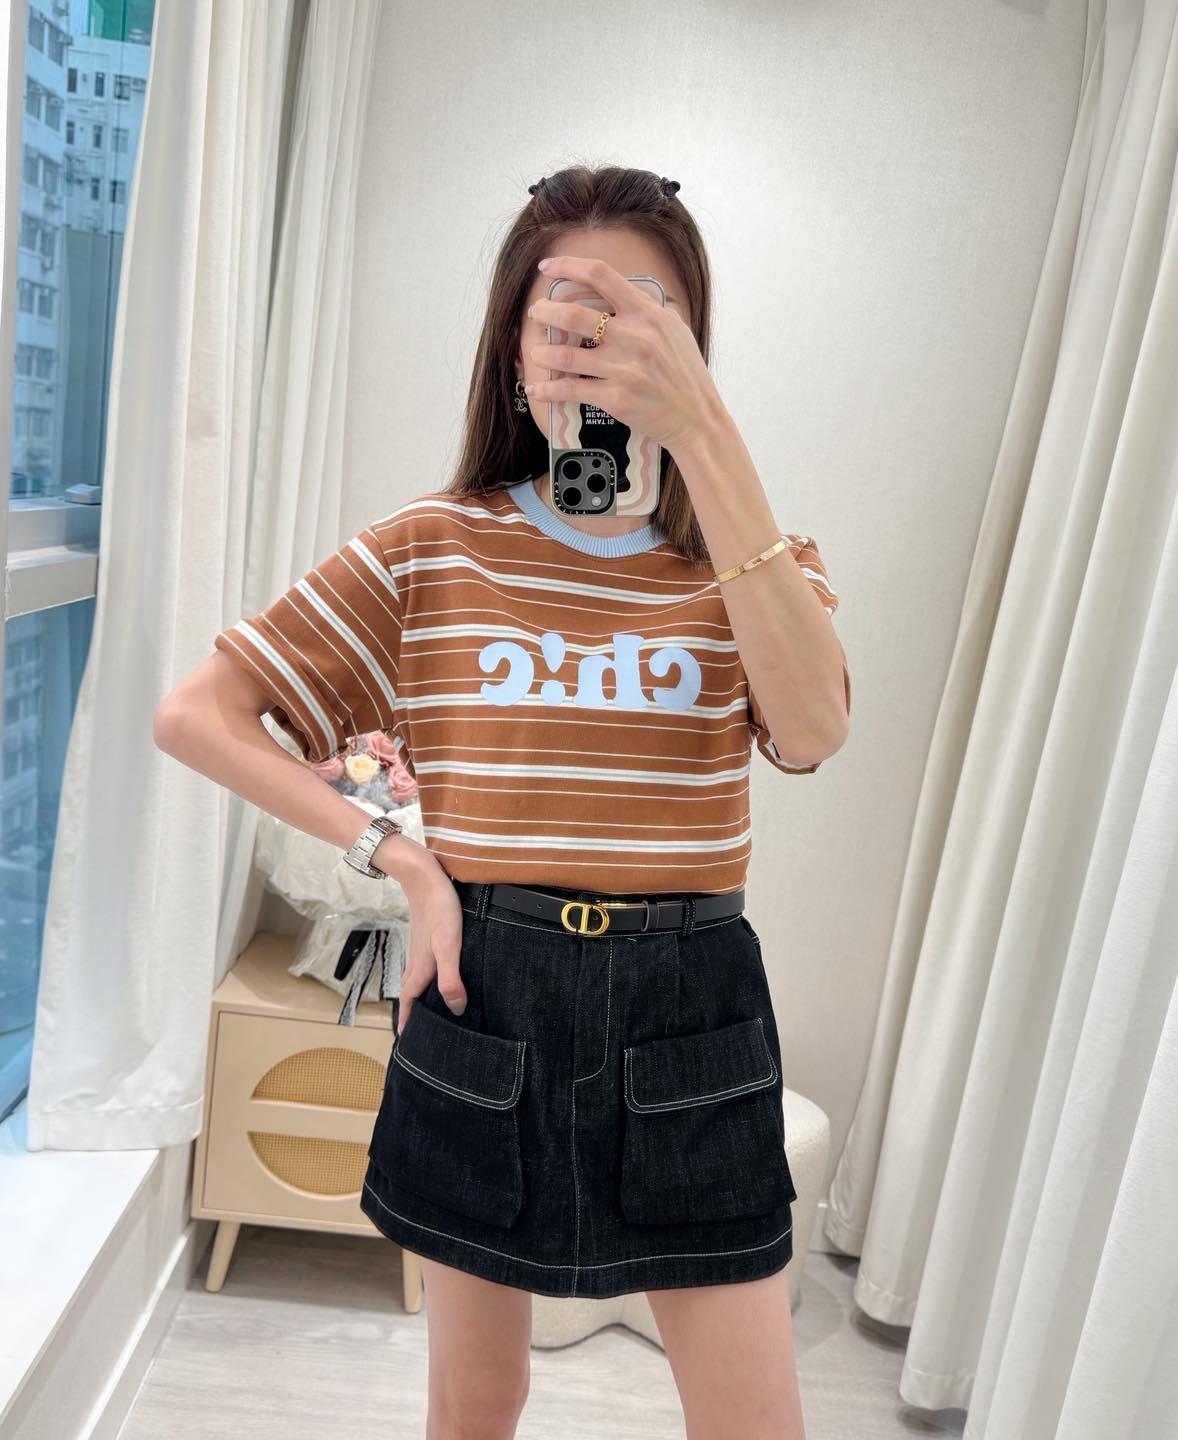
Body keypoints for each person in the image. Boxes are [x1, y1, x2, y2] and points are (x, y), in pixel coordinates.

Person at [154, 164, 850, 1440]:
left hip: (687, 1007)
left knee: (753, 1423)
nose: (601, 343)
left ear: (691, 345)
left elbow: (810, 731)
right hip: (491, 992)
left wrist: (709, 442)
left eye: (642, 311)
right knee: (476, 1401)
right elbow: (196, 714)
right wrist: (403, 860)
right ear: (514, 352)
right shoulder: (434, 545)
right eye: (566, 317)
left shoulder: (750, 562)